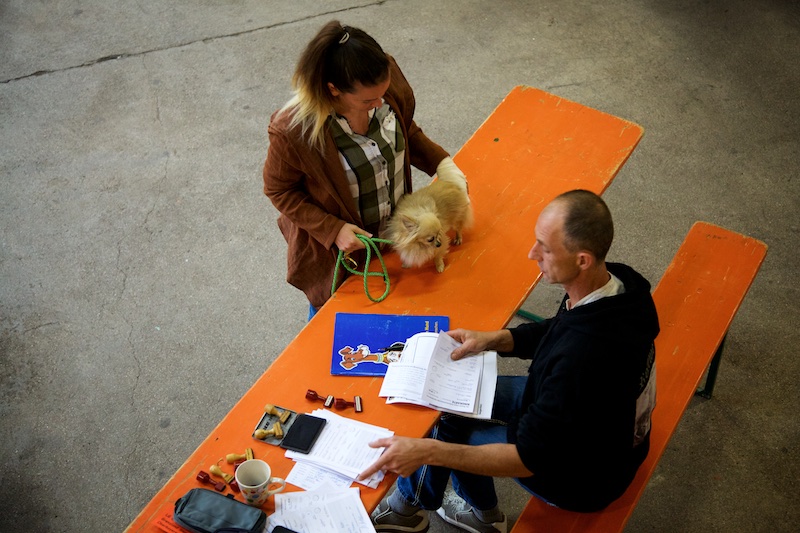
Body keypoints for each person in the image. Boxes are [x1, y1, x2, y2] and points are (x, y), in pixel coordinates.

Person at [360, 190, 660, 533]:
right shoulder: (619, 285)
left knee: (448, 435)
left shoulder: (583, 359)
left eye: (545, 248)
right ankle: (431, 508)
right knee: (453, 403)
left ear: (582, 260)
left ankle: (466, 515)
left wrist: (428, 452)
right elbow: (560, 329)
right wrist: (496, 339)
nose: (532, 254)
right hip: (590, 420)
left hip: (582, 476)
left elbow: (527, 457)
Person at [263, 21, 467, 318]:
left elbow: (404, 129)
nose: (380, 103)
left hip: (400, 236)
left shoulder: (384, 81)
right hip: (345, 255)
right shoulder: (293, 130)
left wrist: (442, 164)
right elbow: (278, 189)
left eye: (383, 94)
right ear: (333, 90)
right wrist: (333, 230)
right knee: (338, 337)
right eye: (368, 101)